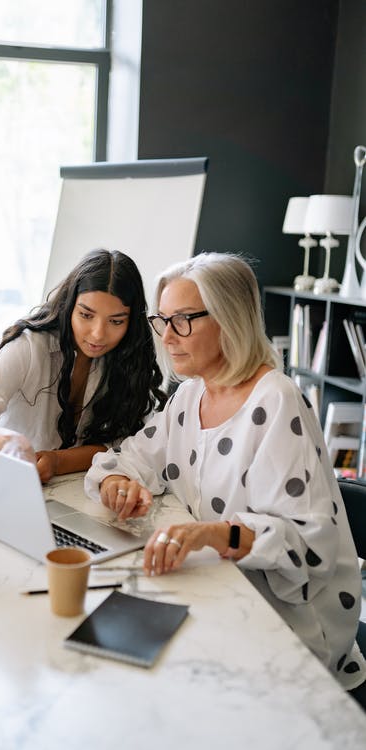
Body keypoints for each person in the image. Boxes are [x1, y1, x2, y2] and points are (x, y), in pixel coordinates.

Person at [85, 251, 366, 705]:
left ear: (229, 319)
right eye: (163, 320)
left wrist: (212, 533)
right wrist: (117, 482)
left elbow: (307, 543)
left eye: (184, 320)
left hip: (285, 622)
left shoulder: (276, 401)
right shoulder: (189, 395)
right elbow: (131, 458)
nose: (169, 337)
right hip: (218, 587)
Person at [0, 248, 166, 482]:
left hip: (67, 491)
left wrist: (57, 462)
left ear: (131, 323)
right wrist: (9, 441)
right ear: (70, 306)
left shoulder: (126, 363)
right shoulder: (29, 347)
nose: (98, 334)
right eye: (86, 315)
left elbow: (123, 445)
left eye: (116, 321)